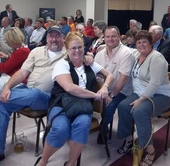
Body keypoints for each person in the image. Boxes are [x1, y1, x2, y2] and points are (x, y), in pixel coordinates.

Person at [0, 26, 94, 165]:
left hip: (48, 98)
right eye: (51, 36)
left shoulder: (69, 52)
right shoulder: (37, 51)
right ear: (46, 38)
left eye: (58, 36)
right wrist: (7, 87)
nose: (54, 39)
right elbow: (22, 72)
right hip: (26, 90)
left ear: (63, 39)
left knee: (32, 94)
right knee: (2, 104)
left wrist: (89, 56)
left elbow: (83, 53)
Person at [35, 32, 113, 166]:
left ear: (84, 47)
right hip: (61, 105)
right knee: (61, 129)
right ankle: (43, 161)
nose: (77, 51)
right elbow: (70, 88)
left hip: (82, 105)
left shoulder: (89, 63)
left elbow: (110, 75)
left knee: (82, 125)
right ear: (67, 49)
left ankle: (70, 163)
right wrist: (96, 95)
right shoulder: (62, 65)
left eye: (80, 47)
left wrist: (105, 87)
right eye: (73, 48)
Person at [117, 30, 170, 166]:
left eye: (144, 42)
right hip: (141, 93)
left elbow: (155, 83)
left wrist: (141, 99)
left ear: (151, 43)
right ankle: (129, 139)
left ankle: (150, 150)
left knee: (140, 111)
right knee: (123, 106)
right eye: (139, 42)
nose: (141, 45)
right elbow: (123, 49)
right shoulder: (136, 54)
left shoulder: (157, 58)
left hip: (160, 95)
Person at [94, 26, 135, 144]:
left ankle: (103, 129)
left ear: (119, 37)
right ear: (104, 38)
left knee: (109, 105)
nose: (110, 39)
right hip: (104, 88)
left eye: (113, 36)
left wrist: (111, 95)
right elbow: (96, 75)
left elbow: (123, 79)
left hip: (121, 91)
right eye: (107, 36)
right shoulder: (100, 54)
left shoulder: (126, 53)